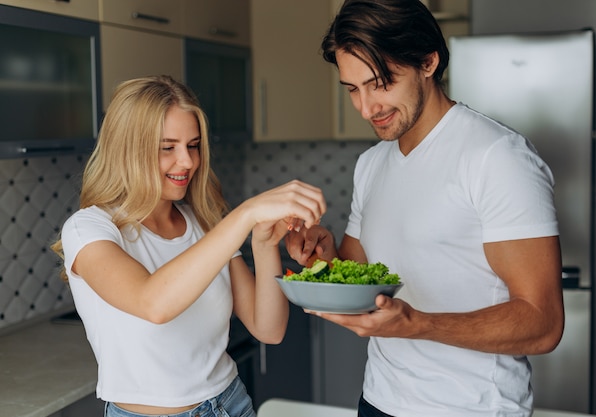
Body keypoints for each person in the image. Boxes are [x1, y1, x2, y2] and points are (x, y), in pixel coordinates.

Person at [284, 1, 564, 416]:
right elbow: (361, 279)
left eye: (380, 82)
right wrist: (322, 255)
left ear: (428, 62)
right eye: (353, 89)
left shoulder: (497, 157)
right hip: (379, 401)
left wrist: (418, 324)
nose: (366, 107)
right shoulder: (372, 164)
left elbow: (543, 324)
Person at [51, 75, 326, 417]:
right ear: (128, 149)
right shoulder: (89, 229)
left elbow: (268, 328)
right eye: (168, 147)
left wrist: (263, 241)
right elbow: (153, 303)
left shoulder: (201, 223)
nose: (188, 162)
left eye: (193, 145)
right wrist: (245, 213)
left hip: (231, 404)